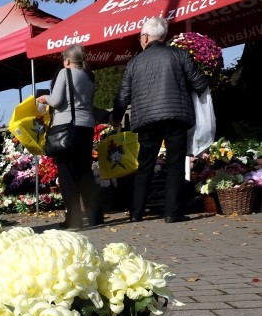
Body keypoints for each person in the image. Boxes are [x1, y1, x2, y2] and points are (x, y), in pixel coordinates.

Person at [110, 16, 208, 223]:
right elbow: (200, 84)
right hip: (176, 116)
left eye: (140, 37)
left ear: (145, 37)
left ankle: (136, 213)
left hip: (146, 120)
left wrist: (116, 118)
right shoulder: (180, 55)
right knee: (175, 164)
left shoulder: (134, 63)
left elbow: (123, 95)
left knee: (145, 164)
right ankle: (173, 213)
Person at [37, 45, 101, 229]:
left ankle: (74, 218)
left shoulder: (65, 73)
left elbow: (56, 101)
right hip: (86, 127)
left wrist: (44, 99)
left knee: (67, 174)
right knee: (84, 172)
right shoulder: (90, 77)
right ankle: (95, 214)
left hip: (67, 128)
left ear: (66, 60)